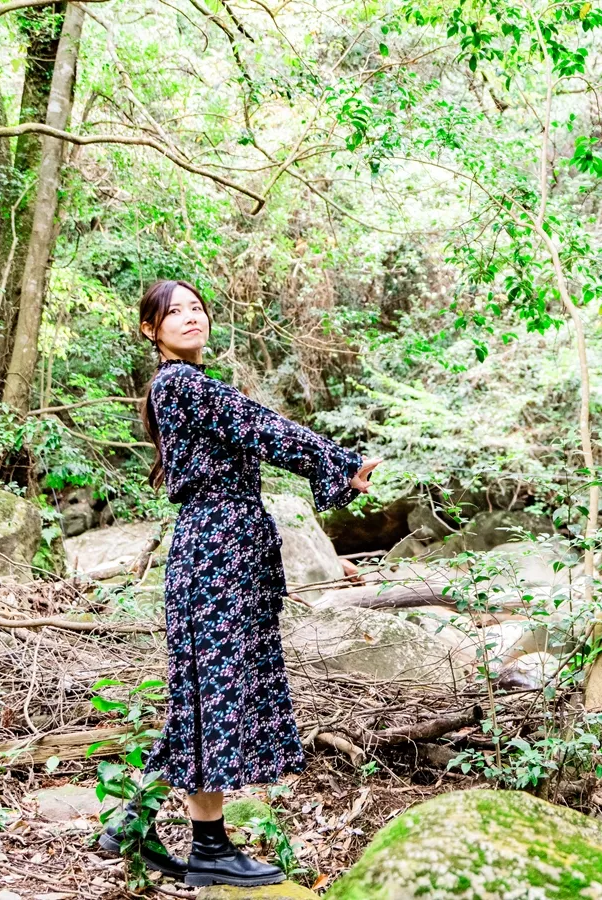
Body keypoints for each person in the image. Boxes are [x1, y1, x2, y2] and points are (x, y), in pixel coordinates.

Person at [98, 279, 381, 887]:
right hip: (216, 553)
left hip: (225, 547)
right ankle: (204, 846)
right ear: (151, 330)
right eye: (174, 312)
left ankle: (141, 821)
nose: (191, 317)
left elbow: (254, 428)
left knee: (206, 695)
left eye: (197, 308)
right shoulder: (181, 383)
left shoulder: (189, 386)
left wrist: (333, 467)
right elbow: (263, 427)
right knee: (215, 693)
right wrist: (340, 463)